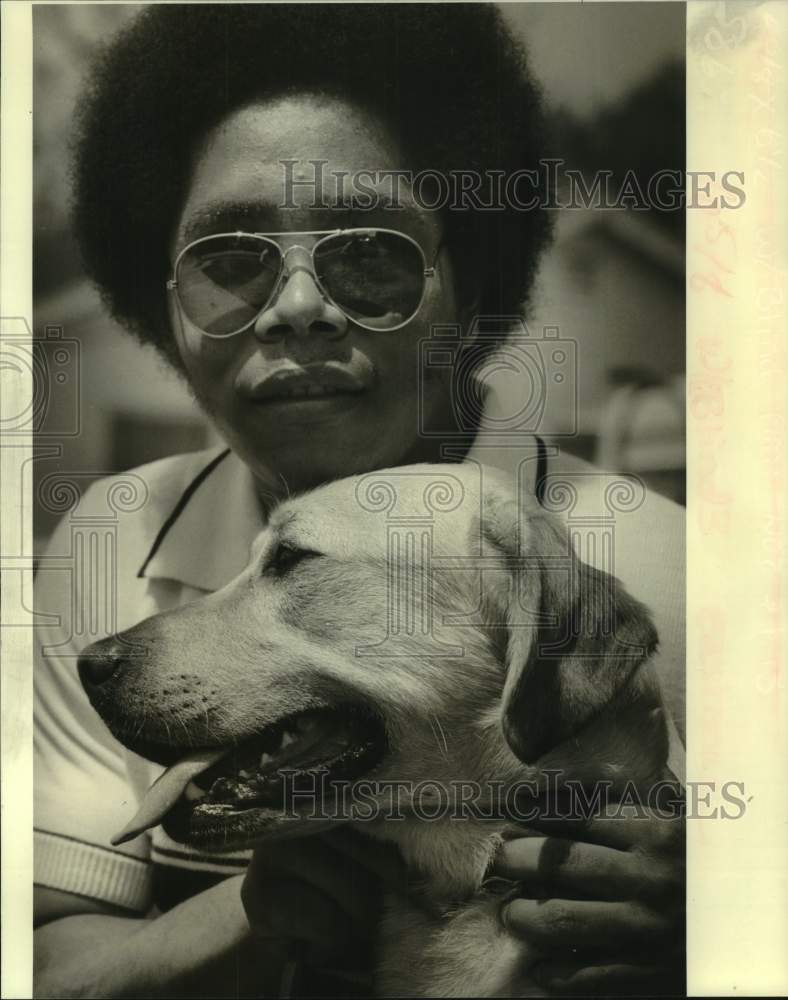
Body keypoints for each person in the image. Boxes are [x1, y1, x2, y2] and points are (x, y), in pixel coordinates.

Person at [33, 5, 685, 997]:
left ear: (468, 288)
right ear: (162, 306)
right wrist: (254, 916)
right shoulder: (105, 541)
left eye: (369, 254)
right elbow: (53, 968)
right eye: (230, 261)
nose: (296, 304)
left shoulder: (676, 575)